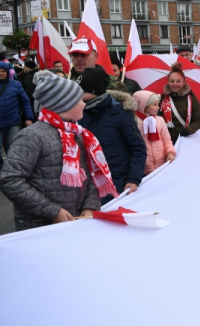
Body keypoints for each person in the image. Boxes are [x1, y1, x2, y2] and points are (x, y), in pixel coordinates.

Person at [0, 71, 104, 230]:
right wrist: (52, 211)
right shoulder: (31, 136)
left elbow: (89, 173)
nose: (84, 104)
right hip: (40, 225)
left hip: (75, 221)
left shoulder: (76, 133)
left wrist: (89, 206)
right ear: (63, 104)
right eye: (78, 100)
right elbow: (10, 180)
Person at [79, 67, 146, 202]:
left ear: (94, 91)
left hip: (117, 182)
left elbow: (138, 148)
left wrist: (133, 179)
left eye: (82, 89)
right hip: (87, 182)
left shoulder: (120, 113)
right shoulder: (79, 113)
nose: (77, 94)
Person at [133, 90, 176, 176]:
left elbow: (166, 140)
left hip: (162, 165)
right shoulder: (134, 122)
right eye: (155, 104)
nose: (158, 107)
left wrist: (170, 152)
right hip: (144, 169)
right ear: (144, 106)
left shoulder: (159, 120)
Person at [0, 62, 34, 171]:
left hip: (13, 122)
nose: (1, 73)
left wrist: (29, 118)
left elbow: (25, 102)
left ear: (7, 72)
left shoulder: (16, 84)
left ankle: (13, 171)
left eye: (3, 71)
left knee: (13, 148)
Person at [160, 62, 200, 144]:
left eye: (178, 81)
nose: (175, 84)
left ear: (184, 82)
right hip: (165, 142)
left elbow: (198, 121)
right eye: (172, 81)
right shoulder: (162, 99)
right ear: (168, 82)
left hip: (184, 141)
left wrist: (188, 130)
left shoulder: (192, 99)